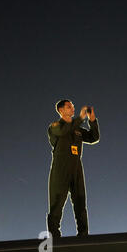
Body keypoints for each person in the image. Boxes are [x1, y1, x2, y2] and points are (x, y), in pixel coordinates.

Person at [46, 99, 100, 238]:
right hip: (61, 169)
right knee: (57, 203)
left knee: (80, 202)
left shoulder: (77, 130)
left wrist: (92, 120)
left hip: (76, 168)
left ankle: (83, 235)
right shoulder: (55, 126)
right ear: (61, 110)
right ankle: (55, 236)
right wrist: (80, 118)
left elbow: (94, 137)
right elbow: (64, 131)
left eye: (73, 106)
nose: (73, 109)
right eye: (69, 107)